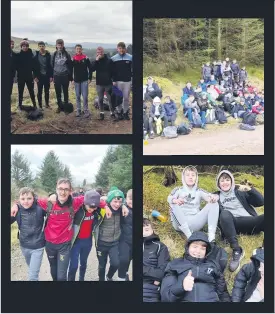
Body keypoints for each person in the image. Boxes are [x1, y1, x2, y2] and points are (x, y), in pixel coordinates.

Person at [11, 178, 108, 281]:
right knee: (54, 272)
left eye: (66, 189)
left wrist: (106, 206)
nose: (63, 192)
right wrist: (16, 205)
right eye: (60, 189)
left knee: (62, 276)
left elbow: (92, 199)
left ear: (70, 191)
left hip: (64, 245)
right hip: (49, 244)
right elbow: (27, 200)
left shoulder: (75, 202)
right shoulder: (48, 202)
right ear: (56, 189)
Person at [215, 170, 264, 272]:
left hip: (250, 222)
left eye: (227, 180)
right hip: (233, 225)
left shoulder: (240, 191)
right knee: (224, 213)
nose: (225, 183)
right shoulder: (216, 196)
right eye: (222, 180)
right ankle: (237, 250)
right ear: (218, 183)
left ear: (232, 181)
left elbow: (261, 202)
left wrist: (250, 189)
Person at [160, 231, 231, 302]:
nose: (198, 251)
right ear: (188, 247)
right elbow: (166, 297)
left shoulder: (213, 265)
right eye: (195, 246)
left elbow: (223, 294)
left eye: (203, 248)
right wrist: (181, 286)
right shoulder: (175, 264)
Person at [167, 166, 219, 242]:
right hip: (179, 223)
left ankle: (211, 237)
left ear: (196, 178)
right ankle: (189, 236)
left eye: (193, 175)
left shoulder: (199, 191)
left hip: (195, 221)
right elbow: (169, 198)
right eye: (187, 175)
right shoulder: (178, 190)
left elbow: (211, 196)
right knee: (173, 204)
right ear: (183, 177)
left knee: (214, 203)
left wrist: (215, 197)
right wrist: (176, 200)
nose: (190, 177)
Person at [10, 187, 46, 281]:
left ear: (34, 198)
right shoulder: (17, 210)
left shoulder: (40, 208)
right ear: (19, 200)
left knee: (32, 277)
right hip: (24, 246)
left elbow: (54, 211)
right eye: (23, 199)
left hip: (38, 246)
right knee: (31, 269)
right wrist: (13, 207)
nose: (26, 201)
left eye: (29, 198)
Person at [68, 190, 102, 281]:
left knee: (83, 263)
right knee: (73, 265)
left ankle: (81, 279)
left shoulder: (96, 211)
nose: (92, 209)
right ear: (85, 202)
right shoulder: (77, 209)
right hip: (76, 242)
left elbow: (106, 202)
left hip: (87, 242)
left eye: (94, 207)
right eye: (90, 206)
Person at [94, 187, 125, 281]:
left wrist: (123, 205)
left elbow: (128, 203)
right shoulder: (102, 209)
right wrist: (105, 205)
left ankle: (109, 276)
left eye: (120, 202)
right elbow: (93, 200)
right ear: (109, 200)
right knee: (102, 266)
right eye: (115, 201)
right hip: (101, 243)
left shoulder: (121, 210)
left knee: (116, 263)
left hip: (114, 243)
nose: (117, 204)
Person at [143, 218, 170, 302]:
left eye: (147, 224)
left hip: (150, 289)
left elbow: (162, 272)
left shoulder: (160, 246)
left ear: (152, 228)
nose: (145, 226)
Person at [90, 46, 113, 120]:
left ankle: (112, 113)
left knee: (110, 99)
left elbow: (113, 71)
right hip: (99, 83)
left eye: (100, 52)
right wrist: (96, 61)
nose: (99, 54)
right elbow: (92, 69)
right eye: (98, 53)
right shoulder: (96, 61)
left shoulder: (109, 60)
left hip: (108, 83)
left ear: (103, 52)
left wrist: (113, 80)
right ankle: (101, 113)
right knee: (100, 99)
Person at [111, 42, 132, 120]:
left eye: (123, 48)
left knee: (126, 98)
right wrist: (113, 80)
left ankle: (125, 112)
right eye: (120, 48)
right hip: (117, 82)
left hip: (127, 81)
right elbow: (111, 71)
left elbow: (133, 69)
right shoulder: (113, 58)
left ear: (125, 49)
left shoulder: (130, 57)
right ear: (117, 49)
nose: (121, 50)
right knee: (118, 97)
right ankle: (119, 112)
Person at [52, 39, 73, 113]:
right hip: (57, 76)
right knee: (58, 93)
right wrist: (52, 76)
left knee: (65, 92)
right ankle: (60, 107)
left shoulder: (67, 54)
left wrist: (70, 77)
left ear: (63, 45)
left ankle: (66, 108)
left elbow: (70, 66)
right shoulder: (54, 54)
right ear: (56, 45)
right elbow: (52, 65)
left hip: (65, 76)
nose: (60, 46)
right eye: (58, 45)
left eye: (61, 45)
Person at [16, 39, 38, 110]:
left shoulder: (31, 55)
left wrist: (35, 76)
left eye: (26, 46)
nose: (25, 47)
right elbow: (15, 66)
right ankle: (20, 106)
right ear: (21, 47)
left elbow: (34, 67)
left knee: (31, 91)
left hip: (29, 76)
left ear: (28, 47)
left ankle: (35, 105)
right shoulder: (18, 55)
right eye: (23, 46)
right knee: (20, 92)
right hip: (20, 77)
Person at [72, 44, 92, 118]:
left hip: (84, 80)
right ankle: (78, 110)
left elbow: (90, 68)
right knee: (77, 96)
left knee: (85, 96)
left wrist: (90, 78)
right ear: (75, 50)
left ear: (82, 49)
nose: (78, 50)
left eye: (80, 49)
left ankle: (86, 110)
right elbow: (70, 69)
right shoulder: (73, 58)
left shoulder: (85, 58)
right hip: (76, 80)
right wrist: (71, 79)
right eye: (77, 49)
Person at [118, 189, 133, 281]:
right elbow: (105, 200)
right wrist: (122, 205)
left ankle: (126, 273)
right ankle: (121, 278)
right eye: (130, 198)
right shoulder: (122, 209)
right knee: (124, 259)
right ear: (126, 198)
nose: (132, 201)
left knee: (129, 259)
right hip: (124, 239)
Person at [34, 41, 53, 110]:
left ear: (45, 47)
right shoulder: (36, 56)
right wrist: (35, 77)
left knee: (47, 91)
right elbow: (34, 68)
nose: (41, 47)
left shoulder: (48, 55)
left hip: (47, 76)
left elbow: (50, 67)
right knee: (39, 92)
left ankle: (47, 104)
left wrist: (51, 76)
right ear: (38, 47)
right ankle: (40, 105)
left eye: (43, 46)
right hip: (39, 77)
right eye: (40, 46)